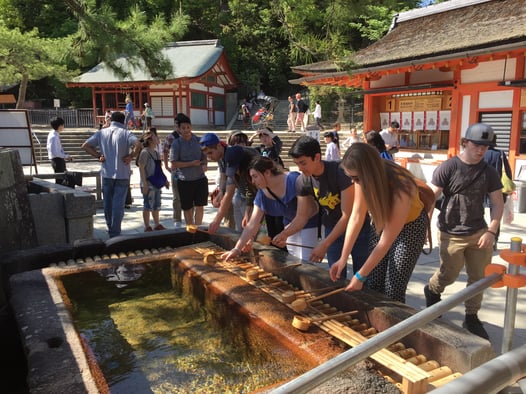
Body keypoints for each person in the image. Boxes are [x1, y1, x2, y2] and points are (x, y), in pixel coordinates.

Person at [424, 123, 503, 340]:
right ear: (465, 142)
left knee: (478, 277)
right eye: (477, 145)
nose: (480, 150)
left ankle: (471, 316)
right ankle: (432, 290)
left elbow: (497, 202)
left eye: (485, 147)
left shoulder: (490, 172)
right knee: (449, 274)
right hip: (451, 232)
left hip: (479, 231)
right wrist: (424, 228)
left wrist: (492, 231)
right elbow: (430, 199)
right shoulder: (448, 167)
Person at [330, 143, 428, 303]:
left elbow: (386, 240)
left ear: (369, 173)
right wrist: (343, 257)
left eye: (356, 178)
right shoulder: (362, 180)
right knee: (373, 282)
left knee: (393, 288)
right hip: (381, 221)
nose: (354, 183)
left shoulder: (402, 185)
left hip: (411, 226)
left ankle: (395, 326)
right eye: (350, 178)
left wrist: (360, 275)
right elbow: (356, 216)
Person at [289, 136, 370, 278]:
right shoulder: (302, 181)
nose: (300, 168)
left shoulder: (340, 172)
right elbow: (301, 216)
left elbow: (348, 215)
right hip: (332, 227)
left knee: (362, 275)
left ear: (317, 157)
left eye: (303, 163)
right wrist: (284, 235)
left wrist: (325, 244)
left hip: (358, 227)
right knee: (336, 275)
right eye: (297, 164)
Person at [222, 157, 319, 261]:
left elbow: (309, 211)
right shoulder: (262, 193)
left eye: (255, 176)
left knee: (307, 261)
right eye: (251, 177)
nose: (253, 181)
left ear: (267, 172)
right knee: (294, 260)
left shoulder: (294, 180)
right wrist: (237, 249)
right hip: (289, 224)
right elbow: (252, 224)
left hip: (309, 223)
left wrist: (285, 234)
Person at [82, 111, 141, 238]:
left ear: (111, 120)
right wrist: (131, 156)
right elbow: (138, 144)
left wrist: (98, 156)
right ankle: (115, 231)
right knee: (118, 204)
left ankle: (110, 227)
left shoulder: (101, 133)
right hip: (122, 173)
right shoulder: (126, 133)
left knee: (107, 203)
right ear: (123, 121)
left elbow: (86, 145)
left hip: (106, 172)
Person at [200, 133, 260, 234]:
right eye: (207, 155)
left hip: (256, 194)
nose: (209, 157)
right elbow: (223, 175)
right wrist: (221, 192)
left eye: (210, 153)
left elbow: (230, 192)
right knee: (240, 231)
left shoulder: (232, 155)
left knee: (250, 233)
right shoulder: (220, 155)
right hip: (243, 193)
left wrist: (217, 221)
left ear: (219, 146)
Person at [170, 114, 208, 226]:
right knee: (187, 208)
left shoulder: (199, 141)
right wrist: (191, 163)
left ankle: (198, 228)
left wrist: (205, 164)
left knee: (200, 206)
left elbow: (204, 156)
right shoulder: (176, 144)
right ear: (179, 129)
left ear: (191, 127)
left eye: (188, 127)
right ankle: (190, 229)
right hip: (185, 180)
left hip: (200, 179)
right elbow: (174, 163)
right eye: (183, 128)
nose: (186, 130)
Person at [250, 127, 285, 238]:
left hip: (276, 187)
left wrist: (269, 132)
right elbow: (247, 146)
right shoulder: (260, 150)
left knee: (279, 221)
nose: (264, 139)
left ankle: (281, 245)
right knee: (269, 218)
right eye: (262, 136)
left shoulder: (275, 149)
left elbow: (278, 141)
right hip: (264, 187)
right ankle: (272, 242)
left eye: (266, 136)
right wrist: (254, 135)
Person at [483, 135, 513, 249]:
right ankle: (494, 239)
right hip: (496, 188)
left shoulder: (479, 153)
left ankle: (478, 236)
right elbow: (508, 172)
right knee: (495, 214)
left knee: (477, 212)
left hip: (480, 188)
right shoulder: (500, 154)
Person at [137, 131, 168, 232]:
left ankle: (156, 223)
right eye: (155, 136)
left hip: (156, 182)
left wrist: (165, 179)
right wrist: (144, 183)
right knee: (148, 204)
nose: (157, 138)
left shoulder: (155, 153)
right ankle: (147, 226)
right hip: (148, 182)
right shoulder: (145, 152)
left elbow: (159, 169)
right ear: (150, 140)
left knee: (156, 204)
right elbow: (141, 167)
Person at [162, 117, 183, 227]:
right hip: (176, 171)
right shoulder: (171, 137)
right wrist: (166, 165)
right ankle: (177, 219)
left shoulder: (190, 136)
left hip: (188, 170)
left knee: (189, 195)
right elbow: (165, 151)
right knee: (176, 196)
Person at [46, 116, 72, 185]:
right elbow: (55, 152)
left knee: (62, 178)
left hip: (59, 159)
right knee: (60, 180)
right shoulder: (53, 137)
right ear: (60, 126)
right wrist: (65, 156)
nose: (63, 126)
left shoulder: (54, 134)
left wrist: (65, 156)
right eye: (63, 125)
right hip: (57, 160)